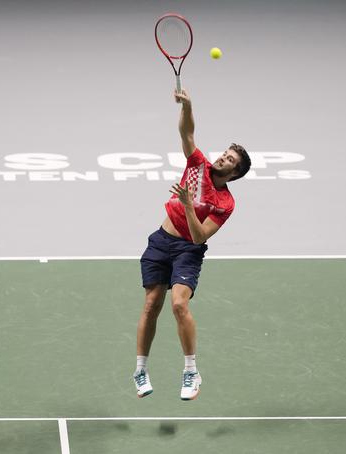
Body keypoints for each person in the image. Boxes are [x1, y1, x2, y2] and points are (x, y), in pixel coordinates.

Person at [134, 89, 251, 401]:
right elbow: (187, 132)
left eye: (230, 159)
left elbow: (199, 237)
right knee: (151, 305)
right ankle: (140, 369)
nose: (223, 157)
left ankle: (190, 371)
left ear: (234, 173)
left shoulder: (225, 202)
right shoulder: (197, 163)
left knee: (179, 304)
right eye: (225, 153)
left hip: (188, 249)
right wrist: (188, 105)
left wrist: (187, 204)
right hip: (160, 241)